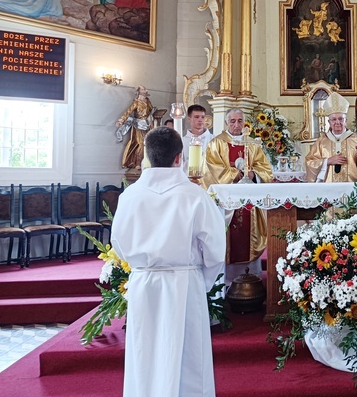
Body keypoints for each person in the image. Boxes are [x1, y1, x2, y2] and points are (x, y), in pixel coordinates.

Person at [111, 127, 225, 397]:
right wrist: (202, 280)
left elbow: (119, 245)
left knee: (145, 354)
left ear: (148, 158)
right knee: (189, 358)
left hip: (144, 284)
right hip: (185, 284)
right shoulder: (195, 196)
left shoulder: (129, 196)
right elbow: (215, 250)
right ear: (179, 158)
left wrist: (142, 267)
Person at [202, 109, 273, 277]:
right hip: (228, 203)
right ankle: (228, 281)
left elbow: (266, 169)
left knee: (249, 238)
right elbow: (212, 169)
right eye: (232, 121)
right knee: (229, 239)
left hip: (250, 203)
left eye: (240, 121)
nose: (236, 125)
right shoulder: (216, 143)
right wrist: (234, 174)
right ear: (227, 123)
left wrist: (254, 174)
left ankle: (252, 278)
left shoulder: (253, 144)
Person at [305, 92, 357, 182]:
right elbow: (310, 162)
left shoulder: (356, 139)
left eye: (340, 119)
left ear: (345, 121)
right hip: (328, 187)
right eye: (334, 119)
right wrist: (328, 161)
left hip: (352, 186)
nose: (337, 122)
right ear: (329, 122)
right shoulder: (322, 141)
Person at [115, 85, 154, 171]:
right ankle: (138, 162)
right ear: (139, 91)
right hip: (138, 126)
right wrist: (121, 121)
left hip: (147, 125)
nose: (146, 90)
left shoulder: (147, 102)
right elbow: (128, 112)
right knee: (140, 144)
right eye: (144, 89)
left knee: (147, 144)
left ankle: (147, 162)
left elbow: (152, 111)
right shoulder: (136, 102)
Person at [181, 104, 213, 171]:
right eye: (196, 117)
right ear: (189, 119)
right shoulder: (182, 141)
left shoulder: (214, 140)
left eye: (202, 117)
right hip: (188, 177)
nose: (200, 120)